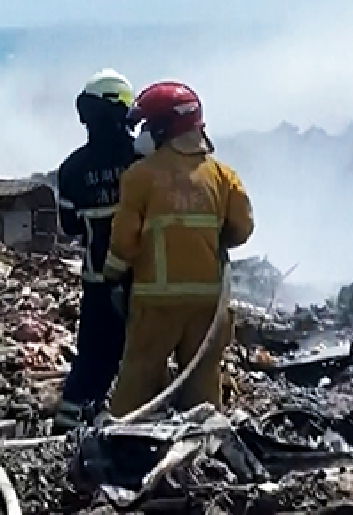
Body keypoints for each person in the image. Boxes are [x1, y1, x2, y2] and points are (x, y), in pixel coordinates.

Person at [103, 81, 254, 417]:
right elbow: (242, 229)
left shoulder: (140, 176)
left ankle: (124, 449)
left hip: (156, 303)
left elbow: (124, 241)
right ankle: (200, 454)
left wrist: (111, 276)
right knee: (202, 387)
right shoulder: (223, 176)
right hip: (209, 303)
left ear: (161, 128)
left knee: (138, 383)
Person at [53, 68, 140, 432]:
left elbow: (70, 227)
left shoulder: (72, 169)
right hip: (143, 281)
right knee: (142, 355)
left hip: (97, 280)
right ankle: (132, 421)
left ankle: (67, 426)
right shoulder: (142, 163)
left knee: (92, 358)